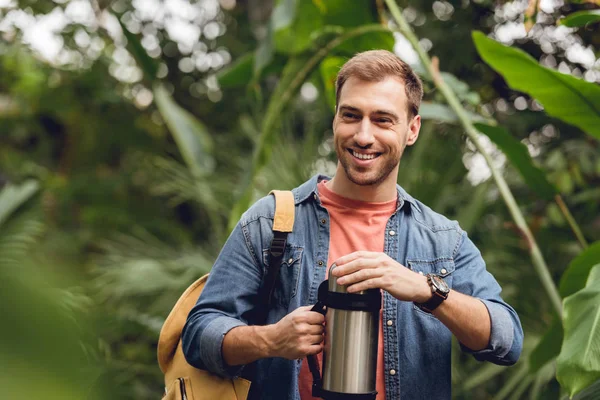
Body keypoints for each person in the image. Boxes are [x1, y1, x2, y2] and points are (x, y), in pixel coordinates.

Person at [182, 50, 523, 400]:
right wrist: (271, 339)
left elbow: (506, 340)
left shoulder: (442, 240)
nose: (363, 135)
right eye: (351, 115)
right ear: (335, 120)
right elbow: (198, 335)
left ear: (412, 129)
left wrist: (427, 290)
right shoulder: (271, 222)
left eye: (382, 120)